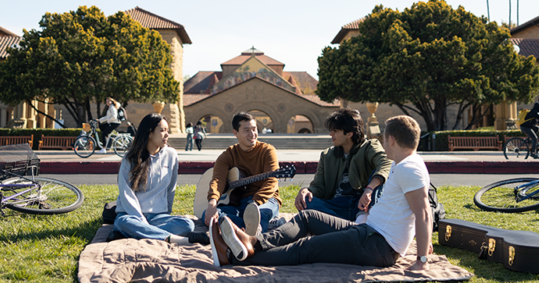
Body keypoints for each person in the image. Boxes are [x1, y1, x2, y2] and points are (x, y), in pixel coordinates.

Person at [209, 115, 433, 273]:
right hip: (367, 230)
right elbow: (421, 211)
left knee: (307, 248)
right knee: (309, 218)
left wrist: (422, 259)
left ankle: (235, 256)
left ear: (391, 140)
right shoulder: (403, 163)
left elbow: (423, 213)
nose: (384, 144)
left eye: (385, 139)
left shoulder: (408, 168)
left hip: (378, 245)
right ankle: (253, 242)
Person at [113, 113, 209, 245]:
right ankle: (177, 239)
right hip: (131, 215)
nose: (167, 135)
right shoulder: (130, 158)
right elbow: (126, 194)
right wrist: (140, 219)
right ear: (150, 133)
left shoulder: (171, 154)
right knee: (122, 222)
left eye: (167, 131)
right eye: (162, 130)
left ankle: (136, 233)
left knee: (187, 225)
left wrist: (166, 214)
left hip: (157, 216)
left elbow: (171, 188)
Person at [294, 109, 391, 223]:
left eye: (335, 131)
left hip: (362, 204)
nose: (331, 134)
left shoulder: (369, 146)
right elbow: (319, 187)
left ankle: (357, 222)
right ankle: (347, 225)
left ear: (349, 134)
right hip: (335, 205)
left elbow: (386, 163)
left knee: (378, 178)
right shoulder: (327, 155)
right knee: (306, 201)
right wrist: (306, 190)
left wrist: (369, 189)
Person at [204, 112, 280, 236]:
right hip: (237, 203)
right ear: (235, 133)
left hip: (265, 200)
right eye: (246, 130)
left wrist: (255, 202)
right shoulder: (227, 155)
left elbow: (271, 181)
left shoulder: (268, 151)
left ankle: (241, 232)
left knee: (258, 215)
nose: (252, 134)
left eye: (254, 129)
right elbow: (218, 180)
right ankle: (250, 228)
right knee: (209, 215)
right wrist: (212, 201)